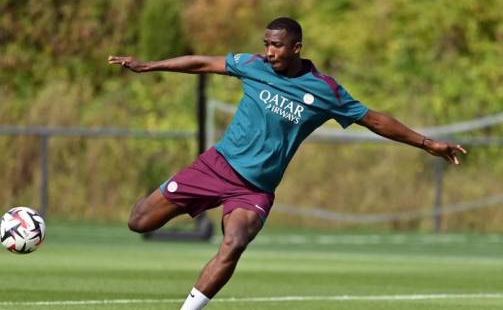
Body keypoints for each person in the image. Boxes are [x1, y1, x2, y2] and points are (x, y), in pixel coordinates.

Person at [108, 17, 467, 310]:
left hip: (254, 190)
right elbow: (202, 62)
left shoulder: (325, 90)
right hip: (215, 166)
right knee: (139, 221)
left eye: (276, 45)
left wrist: (427, 143)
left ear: (296, 47)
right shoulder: (252, 66)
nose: (268, 51)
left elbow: (372, 119)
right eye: (266, 43)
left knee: (234, 244)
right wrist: (149, 65)